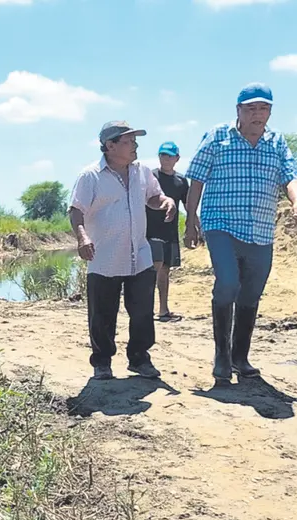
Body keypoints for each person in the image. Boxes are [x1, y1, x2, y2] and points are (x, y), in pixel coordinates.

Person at [184, 83, 297, 383]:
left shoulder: (277, 142)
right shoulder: (217, 137)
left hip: (261, 229)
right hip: (221, 224)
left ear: (270, 112)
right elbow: (196, 178)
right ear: (238, 111)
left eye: (263, 108)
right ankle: (221, 357)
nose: (257, 114)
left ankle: (240, 356)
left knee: (251, 293)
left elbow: (290, 175)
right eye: (250, 108)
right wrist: (191, 219)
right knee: (227, 283)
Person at [69, 121, 177, 380]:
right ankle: (102, 362)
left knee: (142, 311)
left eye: (135, 141)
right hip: (104, 256)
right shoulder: (90, 176)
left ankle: (139, 359)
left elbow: (152, 196)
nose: (135, 146)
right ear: (110, 146)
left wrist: (165, 201)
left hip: (139, 253)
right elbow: (75, 210)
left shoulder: (142, 171)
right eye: (129, 141)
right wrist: (82, 237)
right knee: (102, 314)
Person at [149, 141, 189, 322]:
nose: (166, 159)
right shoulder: (150, 177)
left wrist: (193, 225)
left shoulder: (181, 181)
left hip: (170, 232)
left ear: (177, 158)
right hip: (149, 232)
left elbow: (189, 205)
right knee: (153, 269)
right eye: (163, 155)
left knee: (165, 271)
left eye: (170, 155)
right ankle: (145, 308)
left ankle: (163, 309)